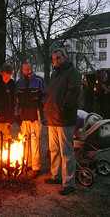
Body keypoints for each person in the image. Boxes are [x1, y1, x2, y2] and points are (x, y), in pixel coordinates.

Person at [44, 48, 81, 195]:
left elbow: (74, 92)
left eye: (58, 58)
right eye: (54, 59)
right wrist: (47, 106)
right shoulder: (54, 74)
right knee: (54, 150)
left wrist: (62, 107)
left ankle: (69, 183)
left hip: (64, 118)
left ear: (65, 57)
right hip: (52, 118)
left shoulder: (72, 72)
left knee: (66, 152)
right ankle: (56, 176)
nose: (56, 61)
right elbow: (50, 93)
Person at [15, 63, 47, 178]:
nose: (26, 71)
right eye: (24, 69)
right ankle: (26, 164)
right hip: (24, 116)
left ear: (31, 69)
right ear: (22, 70)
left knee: (35, 143)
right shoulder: (19, 82)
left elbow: (45, 96)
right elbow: (16, 99)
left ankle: (36, 167)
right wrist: (16, 114)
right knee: (24, 142)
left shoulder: (39, 81)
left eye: (28, 69)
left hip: (35, 116)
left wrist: (42, 108)